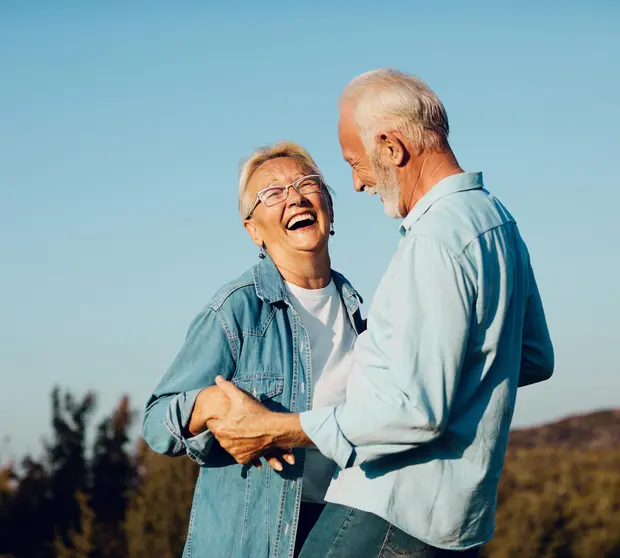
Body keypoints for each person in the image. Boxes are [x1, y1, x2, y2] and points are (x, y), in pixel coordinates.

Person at [208, 69, 555, 557]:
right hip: (460, 524)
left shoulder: (435, 242)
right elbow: (535, 356)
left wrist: (278, 427)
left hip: (388, 513)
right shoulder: (497, 221)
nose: (355, 183)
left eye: (356, 163)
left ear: (392, 148)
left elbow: (415, 411)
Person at [141, 142, 365, 558]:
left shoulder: (359, 311)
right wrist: (209, 404)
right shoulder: (237, 309)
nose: (295, 197)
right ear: (253, 229)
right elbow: (156, 422)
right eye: (273, 193)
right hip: (253, 543)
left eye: (307, 184)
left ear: (330, 208)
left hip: (339, 529)